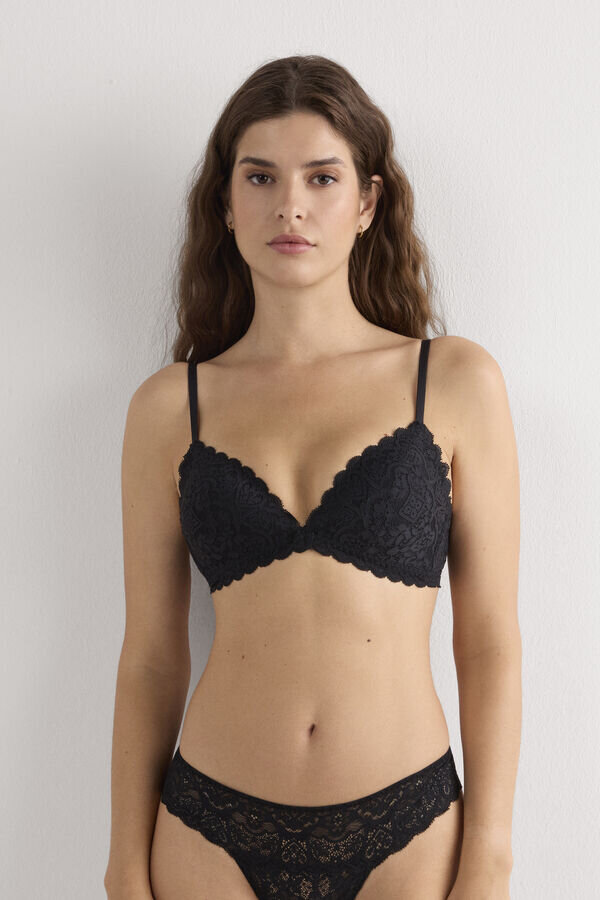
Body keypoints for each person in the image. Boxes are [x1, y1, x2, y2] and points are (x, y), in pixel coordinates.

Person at [104, 55, 522, 900]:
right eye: (259, 177)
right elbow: (150, 656)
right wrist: (124, 860)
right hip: (207, 829)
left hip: (410, 830)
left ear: (367, 202)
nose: (289, 205)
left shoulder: (452, 381)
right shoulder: (170, 406)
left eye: (321, 178)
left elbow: (488, 641)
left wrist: (491, 856)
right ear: (225, 204)